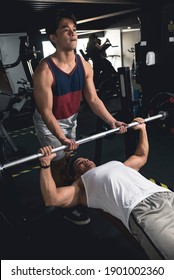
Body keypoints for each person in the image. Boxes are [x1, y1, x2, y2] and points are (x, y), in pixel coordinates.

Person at [32, 9, 126, 225]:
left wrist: (112, 121)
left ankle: (65, 189)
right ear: (53, 37)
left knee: (67, 158)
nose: (73, 33)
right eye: (66, 30)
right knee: (56, 161)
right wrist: (62, 139)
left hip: (70, 117)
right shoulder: (44, 71)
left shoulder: (84, 65)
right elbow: (46, 112)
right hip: (49, 122)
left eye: (74, 30)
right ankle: (58, 204)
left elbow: (93, 99)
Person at [38, 118, 174, 260]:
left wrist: (142, 130)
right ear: (76, 176)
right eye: (79, 163)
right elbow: (51, 198)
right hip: (143, 210)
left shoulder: (119, 165)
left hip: (166, 196)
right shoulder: (80, 188)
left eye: (85, 159)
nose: (85, 160)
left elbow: (141, 155)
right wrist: (45, 165)